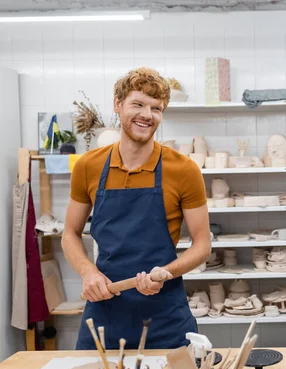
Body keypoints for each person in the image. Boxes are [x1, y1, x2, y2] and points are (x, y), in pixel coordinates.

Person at [62, 67, 211, 350]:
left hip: (165, 315)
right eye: (138, 104)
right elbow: (69, 233)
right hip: (105, 310)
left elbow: (202, 245)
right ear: (118, 105)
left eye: (156, 108)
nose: (147, 115)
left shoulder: (184, 169)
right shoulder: (88, 166)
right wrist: (88, 273)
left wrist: (166, 272)